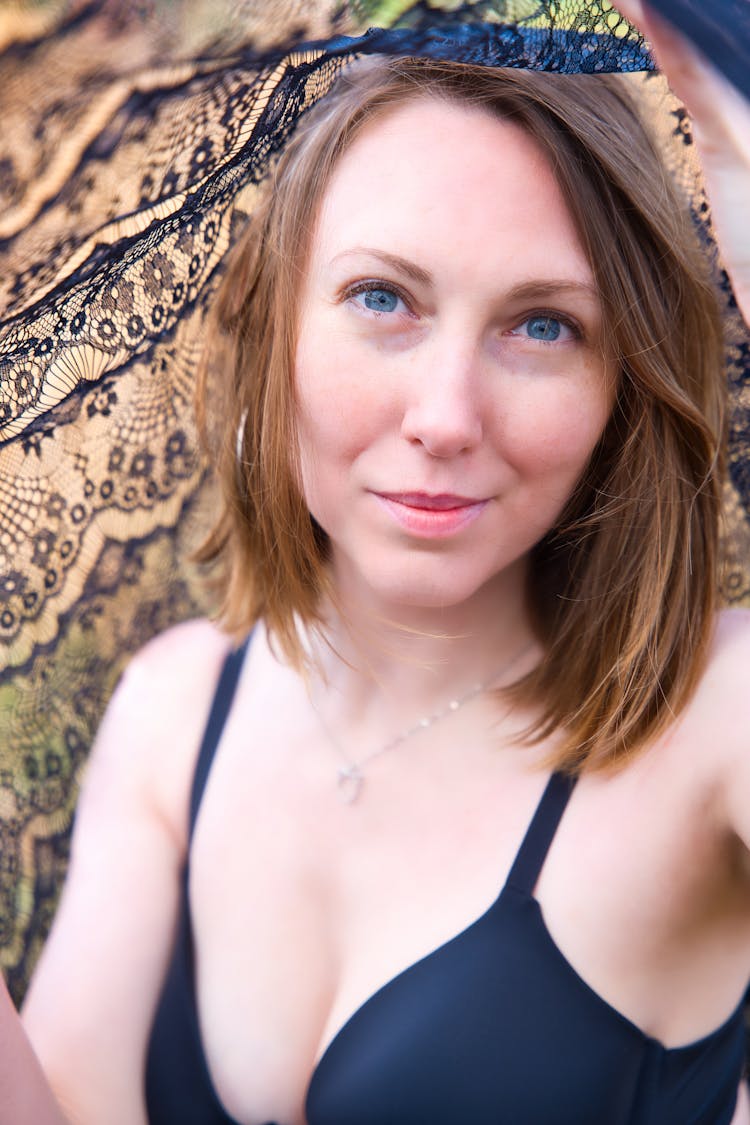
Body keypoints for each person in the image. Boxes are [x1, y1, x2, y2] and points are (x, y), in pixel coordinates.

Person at [1, 1, 750, 1123]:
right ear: (274, 332)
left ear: (621, 385)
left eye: (541, 325)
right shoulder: (174, 708)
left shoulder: (712, 716)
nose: (446, 417)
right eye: (382, 299)